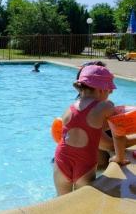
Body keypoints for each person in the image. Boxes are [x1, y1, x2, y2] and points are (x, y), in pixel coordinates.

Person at [53, 65, 129, 197]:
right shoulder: (105, 107)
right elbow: (118, 134)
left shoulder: (69, 109)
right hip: (84, 164)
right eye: (109, 91)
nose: (109, 95)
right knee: (83, 203)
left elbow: (87, 127)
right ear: (101, 89)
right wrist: (120, 158)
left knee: (62, 203)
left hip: (61, 162)